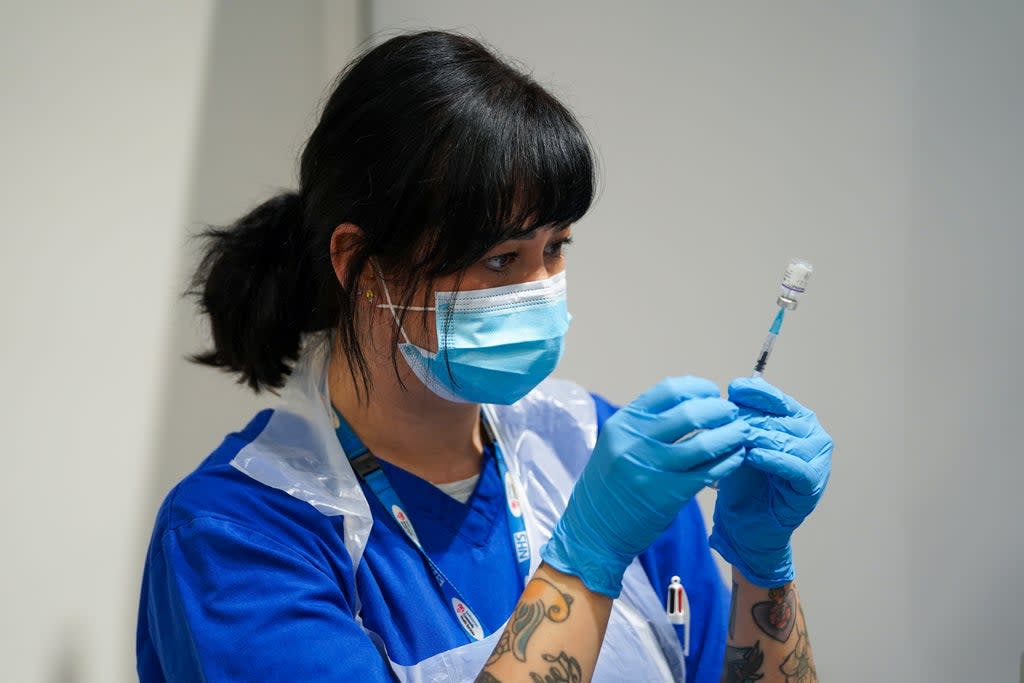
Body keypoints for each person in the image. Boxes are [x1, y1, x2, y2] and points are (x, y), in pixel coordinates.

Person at [136, 30, 832, 683]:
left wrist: (763, 566)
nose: (539, 292)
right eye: (501, 258)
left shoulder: (599, 454)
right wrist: (585, 559)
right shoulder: (241, 535)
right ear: (359, 263)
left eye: (555, 248)